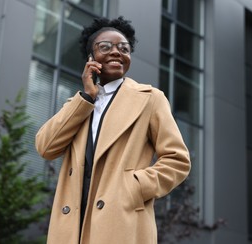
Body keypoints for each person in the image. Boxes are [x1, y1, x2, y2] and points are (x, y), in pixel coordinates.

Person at [35, 16, 191, 244]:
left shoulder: (150, 99)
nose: (116, 52)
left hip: (121, 222)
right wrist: (86, 98)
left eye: (124, 48)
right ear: (91, 58)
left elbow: (178, 160)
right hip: (72, 227)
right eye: (105, 47)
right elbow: (45, 147)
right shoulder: (77, 104)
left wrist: (134, 187)